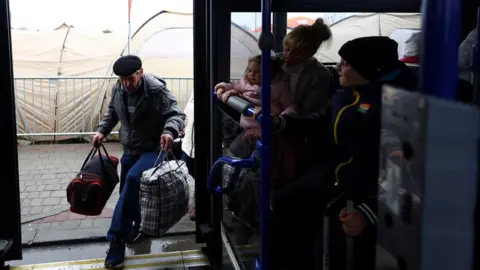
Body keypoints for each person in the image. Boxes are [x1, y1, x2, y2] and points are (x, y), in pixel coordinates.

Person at [270, 37, 418, 270]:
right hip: (335, 174)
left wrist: (369, 211)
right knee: (284, 202)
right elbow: (320, 122)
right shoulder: (346, 94)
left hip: (363, 186)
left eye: (346, 63)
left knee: (328, 241)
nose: (338, 68)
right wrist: (283, 124)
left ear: (368, 69)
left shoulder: (396, 107)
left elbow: (403, 170)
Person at [93, 55, 185, 269]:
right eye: (122, 79)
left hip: (154, 148)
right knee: (126, 189)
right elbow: (112, 113)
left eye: (130, 79)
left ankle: (117, 241)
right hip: (131, 149)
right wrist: (101, 131)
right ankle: (134, 225)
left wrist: (169, 131)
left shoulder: (155, 90)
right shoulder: (118, 89)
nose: (126, 83)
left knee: (134, 180)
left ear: (140, 73)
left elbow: (176, 114)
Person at [181, 91, 196, 221]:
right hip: (188, 145)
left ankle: (197, 205)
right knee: (188, 172)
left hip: (200, 146)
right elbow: (186, 113)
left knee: (201, 175)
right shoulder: (194, 91)